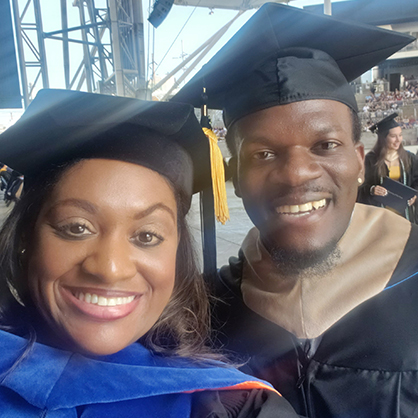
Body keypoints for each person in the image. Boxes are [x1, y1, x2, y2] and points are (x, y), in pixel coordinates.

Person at [173, 3, 418, 418]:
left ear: (359, 159)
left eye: (326, 145)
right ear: (233, 173)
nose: (295, 174)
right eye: (263, 153)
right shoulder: (208, 308)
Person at [0, 89, 300, 417]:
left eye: (147, 235)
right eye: (76, 228)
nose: (111, 268)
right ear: (27, 237)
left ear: (176, 255)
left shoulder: (230, 406)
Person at [358, 113, 418, 221]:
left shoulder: (410, 158)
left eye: (400, 135)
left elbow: (416, 182)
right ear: (383, 138)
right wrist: (372, 190)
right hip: (380, 217)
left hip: (405, 216)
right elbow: (359, 185)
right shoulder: (370, 160)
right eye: (393, 136)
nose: (398, 140)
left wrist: (415, 196)